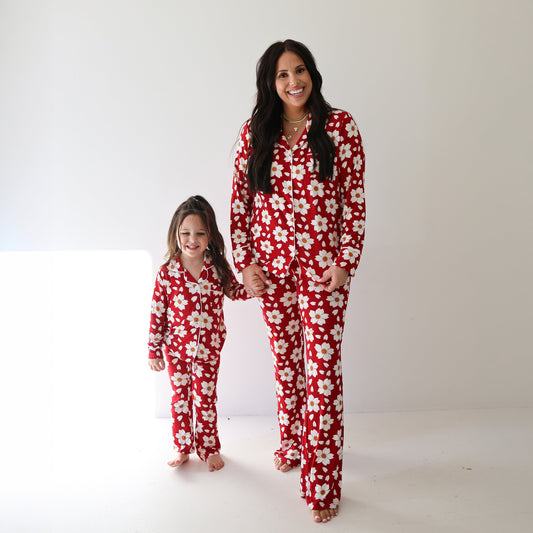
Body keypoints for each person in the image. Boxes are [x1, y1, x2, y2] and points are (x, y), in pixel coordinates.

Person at [230, 40, 366, 522]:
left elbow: (354, 201)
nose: (294, 81)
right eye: (283, 74)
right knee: (287, 364)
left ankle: (322, 483)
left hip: (324, 272)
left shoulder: (340, 127)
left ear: (313, 74)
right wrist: (246, 263)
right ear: (270, 83)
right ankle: (293, 440)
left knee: (322, 373)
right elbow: (240, 204)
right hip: (272, 273)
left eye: (300, 70)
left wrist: (345, 262)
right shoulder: (255, 133)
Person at [148, 195, 264, 471]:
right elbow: (157, 312)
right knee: (180, 399)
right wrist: (153, 350)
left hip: (209, 349)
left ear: (210, 234)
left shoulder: (217, 267)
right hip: (176, 349)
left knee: (206, 399)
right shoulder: (168, 272)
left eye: (200, 233)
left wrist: (253, 289)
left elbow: (233, 291)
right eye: (185, 233)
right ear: (176, 234)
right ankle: (182, 447)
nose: (192, 239)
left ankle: (209, 448)